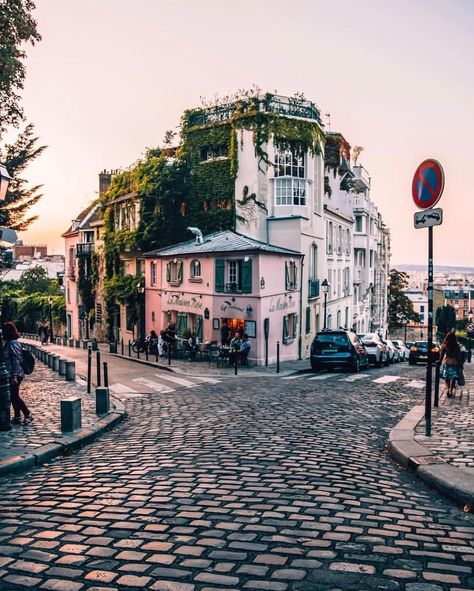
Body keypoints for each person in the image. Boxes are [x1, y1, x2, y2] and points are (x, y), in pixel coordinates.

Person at [3, 321, 33, 425]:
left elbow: (16, 360)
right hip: (12, 374)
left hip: (15, 374)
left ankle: (27, 414)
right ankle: (17, 416)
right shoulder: (10, 342)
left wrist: (14, 376)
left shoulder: (13, 343)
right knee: (13, 395)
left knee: (14, 396)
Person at [439, 332, 464, 397]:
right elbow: (459, 356)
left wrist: (439, 361)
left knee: (447, 378)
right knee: (453, 378)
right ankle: (450, 390)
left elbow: (442, 355)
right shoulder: (456, 346)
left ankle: (447, 389)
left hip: (447, 362)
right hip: (455, 363)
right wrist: (461, 364)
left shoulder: (445, 345)